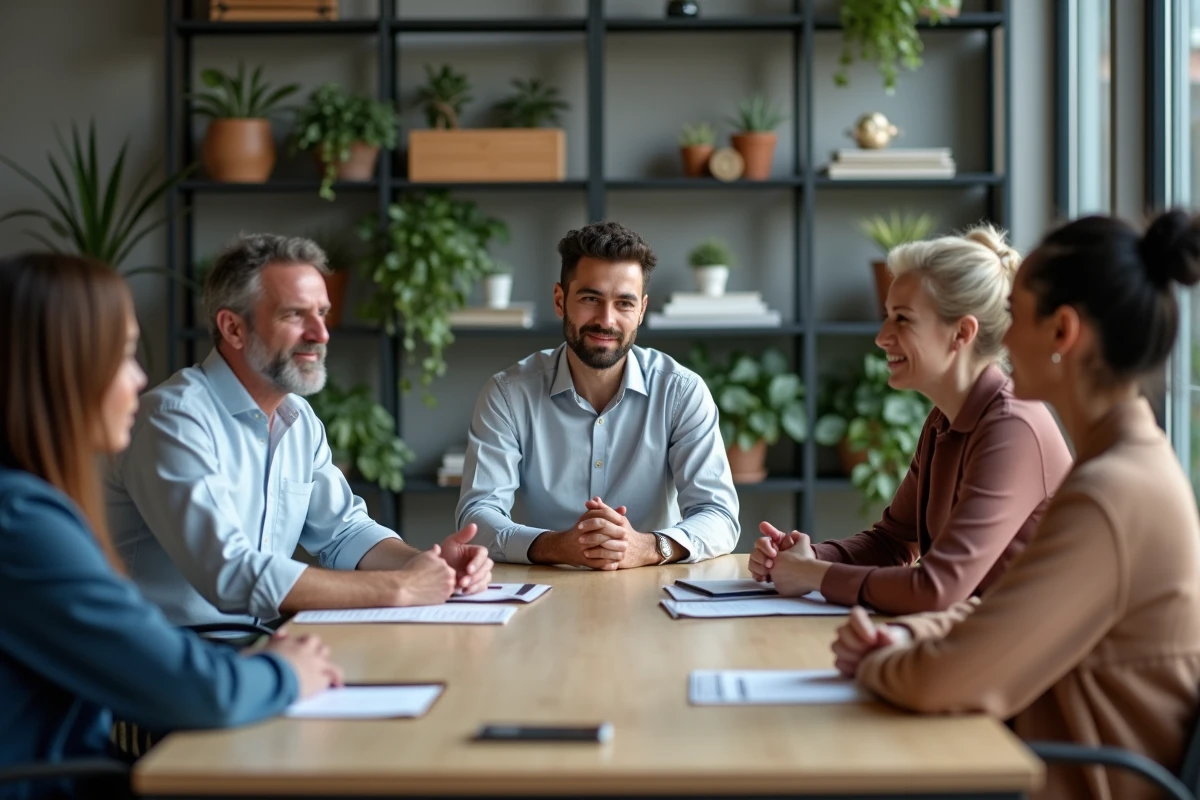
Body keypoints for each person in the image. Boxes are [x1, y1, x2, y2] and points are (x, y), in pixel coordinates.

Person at [832, 210, 1200, 800]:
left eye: (1015, 314)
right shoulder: (1118, 468)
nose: (1001, 339)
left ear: (1062, 333)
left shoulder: (1111, 493)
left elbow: (945, 682)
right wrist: (908, 636)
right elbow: (1004, 610)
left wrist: (875, 664)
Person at [0, 253, 343, 799]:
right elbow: (198, 692)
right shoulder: (22, 524)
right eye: (122, 355)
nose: (139, 379)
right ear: (57, 372)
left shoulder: (27, 507)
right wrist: (286, 670)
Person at [105, 234, 493, 630]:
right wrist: (400, 587)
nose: (321, 334)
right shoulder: (173, 420)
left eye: (322, 313)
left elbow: (344, 532)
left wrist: (425, 564)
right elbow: (230, 573)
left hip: (259, 641)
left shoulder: (298, 418)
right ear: (233, 328)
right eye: (294, 315)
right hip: (174, 651)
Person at [749, 224, 1073, 615]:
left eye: (902, 319)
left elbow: (938, 588)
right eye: (887, 316)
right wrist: (807, 557)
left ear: (961, 333)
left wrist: (812, 574)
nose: (882, 337)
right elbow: (892, 542)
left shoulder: (1011, 427)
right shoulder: (943, 419)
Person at [456, 221, 739, 569]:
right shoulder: (508, 394)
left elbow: (719, 515)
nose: (606, 320)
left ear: (641, 310)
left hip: (652, 587)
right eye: (591, 299)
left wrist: (648, 547)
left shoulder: (681, 392)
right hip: (544, 586)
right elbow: (477, 515)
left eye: (624, 303)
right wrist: (555, 546)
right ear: (560, 300)